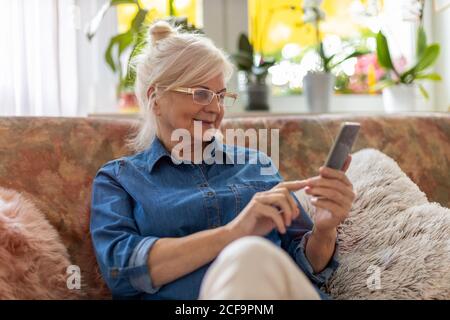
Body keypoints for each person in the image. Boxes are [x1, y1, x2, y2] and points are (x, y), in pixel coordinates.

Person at [90, 20, 355, 300]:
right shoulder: (119, 179)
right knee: (249, 253)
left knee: (255, 258)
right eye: (201, 94)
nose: (215, 108)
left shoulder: (256, 165)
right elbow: (121, 270)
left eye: (220, 95)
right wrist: (235, 233)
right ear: (155, 98)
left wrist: (325, 230)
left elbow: (304, 268)